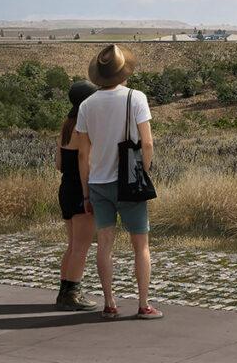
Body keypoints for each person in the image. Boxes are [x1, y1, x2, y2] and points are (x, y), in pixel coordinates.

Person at [75, 44, 163, 320]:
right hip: (129, 181)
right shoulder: (136, 98)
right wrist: (141, 171)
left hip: (99, 182)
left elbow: (82, 153)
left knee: (104, 245)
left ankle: (109, 303)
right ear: (124, 71)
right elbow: (147, 142)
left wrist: (86, 191)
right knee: (141, 246)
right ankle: (143, 304)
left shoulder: (87, 105)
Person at [54, 80, 100, 311]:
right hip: (79, 189)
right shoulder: (84, 127)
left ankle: (64, 292)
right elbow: (85, 161)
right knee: (81, 246)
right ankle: (73, 293)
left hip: (65, 188)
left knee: (72, 244)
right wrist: (86, 194)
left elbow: (58, 164)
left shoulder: (65, 124)